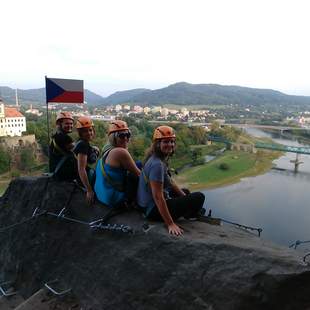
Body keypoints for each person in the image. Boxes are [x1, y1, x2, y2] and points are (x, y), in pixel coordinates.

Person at [137, 125, 205, 236]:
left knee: (186, 192)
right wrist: (170, 224)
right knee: (199, 197)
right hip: (152, 210)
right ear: (158, 144)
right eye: (166, 142)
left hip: (146, 205)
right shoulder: (157, 165)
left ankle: (188, 212)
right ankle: (189, 215)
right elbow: (158, 197)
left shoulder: (154, 158)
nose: (170, 145)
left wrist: (185, 198)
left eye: (172, 141)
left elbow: (171, 183)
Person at [94, 120, 141, 208]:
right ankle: (131, 203)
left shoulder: (106, 148)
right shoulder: (120, 152)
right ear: (113, 137)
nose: (126, 138)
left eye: (127, 135)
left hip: (101, 194)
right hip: (114, 198)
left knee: (138, 163)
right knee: (135, 173)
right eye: (121, 136)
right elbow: (139, 174)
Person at [74, 116, 99, 204]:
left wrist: (93, 149)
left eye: (90, 130)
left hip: (83, 176)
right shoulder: (83, 145)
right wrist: (89, 190)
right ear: (80, 133)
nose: (89, 133)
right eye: (85, 131)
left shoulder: (81, 143)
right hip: (85, 178)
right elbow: (81, 169)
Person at [49, 111, 76, 180]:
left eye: (71, 124)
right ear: (59, 124)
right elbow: (77, 150)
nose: (70, 126)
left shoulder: (55, 136)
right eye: (66, 123)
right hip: (63, 173)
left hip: (55, 170)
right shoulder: (64, 138)